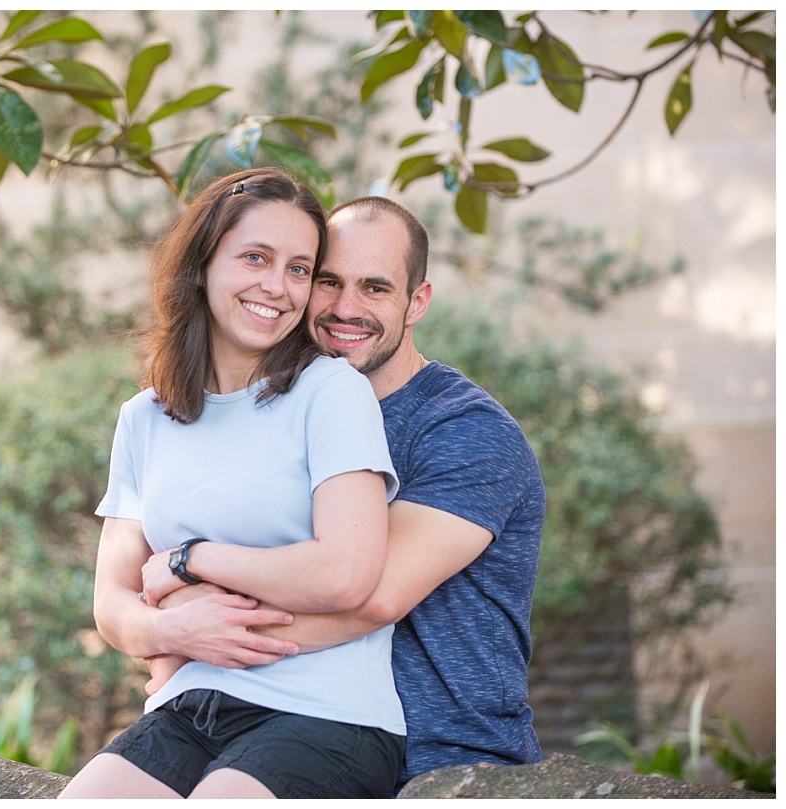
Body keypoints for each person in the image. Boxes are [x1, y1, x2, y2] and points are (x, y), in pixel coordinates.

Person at [141, 195, 545, 793]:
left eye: (376, 289)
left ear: (417, 303)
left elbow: (368, 598)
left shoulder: (466, 432)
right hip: (275, 738)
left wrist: (193, 632)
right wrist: (169, 633)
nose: (345, 309)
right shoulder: (277, 410)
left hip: (447, 762)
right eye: (327, 281)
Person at [57, 169, 407, 800]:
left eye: (300, 269)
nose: (278, 287)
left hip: (327, 715)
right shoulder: (144, 418)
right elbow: (111, 602)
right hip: (189, 706)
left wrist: (190, 564)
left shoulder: (330, 393)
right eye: (255, 257)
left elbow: (347, 572)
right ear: (203, 264)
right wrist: (170, 633)